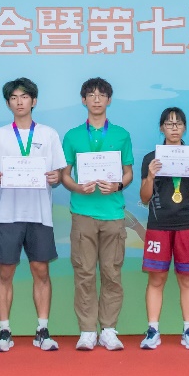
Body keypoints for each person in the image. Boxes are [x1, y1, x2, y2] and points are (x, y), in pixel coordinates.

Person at [0, 78, 65, 352]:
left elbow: (58, 174)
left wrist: (55, 177)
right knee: (5, 271)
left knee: (41, 270)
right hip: (8, 214)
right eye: (14, 98)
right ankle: (4, 331)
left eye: (24, 96)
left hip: (40, 214)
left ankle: (42, 329)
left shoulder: (49, 135)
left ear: (34, 101)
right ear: (8, 103)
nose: (19, 102)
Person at [61, 77, 135, 351]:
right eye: (90, 95)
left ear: (109, 100)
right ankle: (87, 330)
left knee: (112, 273)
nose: (96, 99)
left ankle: (109, 329)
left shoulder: (121, 134)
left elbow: (128, 172)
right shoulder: (72, 136)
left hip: (113, 213)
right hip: (83, 213)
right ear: (83, 100)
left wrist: (117, 185)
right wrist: (77, 187)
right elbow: (64, 175)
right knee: (84, 273)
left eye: (101, 95)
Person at [138, 106, 189, 351]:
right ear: (161, 128)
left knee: (187, 279)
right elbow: (144, 197)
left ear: (184, 128)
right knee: (156, 278)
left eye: (178, 124)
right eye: (169, 123)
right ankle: (153, 330)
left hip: (187, 225)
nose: (174, 128)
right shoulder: (151, 158)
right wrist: (150, 176)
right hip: (158, 226)